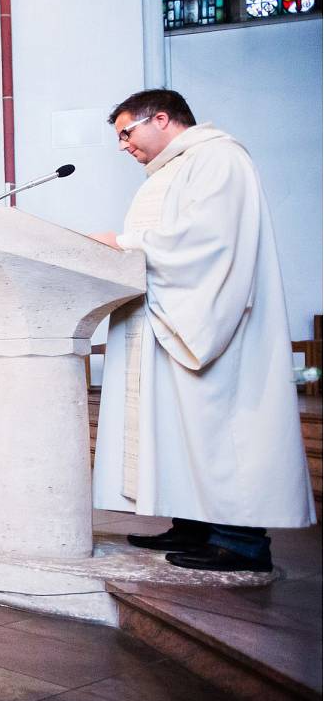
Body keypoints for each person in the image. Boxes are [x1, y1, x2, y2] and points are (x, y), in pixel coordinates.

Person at [90, 89, 314, 572]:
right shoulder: (167, 172)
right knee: (177, 427)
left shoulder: (219, 159)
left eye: (126, 132)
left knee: (219, 429)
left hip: (208, 320)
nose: (123, 146)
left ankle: (240, 542)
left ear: (163, 119)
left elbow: (209, 242)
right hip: (169, 320)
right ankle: (192, 525)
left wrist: (123, 242)